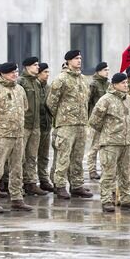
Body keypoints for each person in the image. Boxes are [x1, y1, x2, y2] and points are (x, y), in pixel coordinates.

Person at [0, 62, 32, 213]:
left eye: (15, 72)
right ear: (2, 74)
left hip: (18, 135)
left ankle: (17, 198)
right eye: (11, 72)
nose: (14, 75)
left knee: (17, 168)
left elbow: (25, 108)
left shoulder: (20, 89)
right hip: (1, 136)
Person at [89, 72, 130, 212]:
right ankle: (106, 200)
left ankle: (126, 199)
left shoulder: (129, 99)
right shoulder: (105, 100)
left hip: (127, 143)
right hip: (111, 143)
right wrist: (109, 132)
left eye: (126, 82)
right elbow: (94, 121)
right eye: (123, 83)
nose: (126, 85)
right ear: (114, 85)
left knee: (126, 173)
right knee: (108, 173)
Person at [46, 50, 93, 199]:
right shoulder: (61, 79)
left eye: (80, 58)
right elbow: (51, 102)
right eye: (75, 58)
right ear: (68, 61)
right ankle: (59, 185)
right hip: (65, 125)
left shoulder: (84, 79)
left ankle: (77, 185)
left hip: (81, 124)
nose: (79, 61)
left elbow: (87, 100)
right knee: (63, 157)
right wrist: (62, 117)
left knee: (78, 157)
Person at [17, 57, 48, 196]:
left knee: (32, 156)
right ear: (27, 67)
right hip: (24, 125)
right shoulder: (21, 82)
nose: (37, 67)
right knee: (19, 157)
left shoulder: (36, 82)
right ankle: (18, 185)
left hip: (35, 125)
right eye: (35, 65)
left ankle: (30, 183)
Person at [87, 62, 110, 180]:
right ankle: (92, 170)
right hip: (96, 120)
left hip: (107, 121)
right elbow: (87, 101)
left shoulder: (108, 85)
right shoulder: (94, 85)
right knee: (94, 147)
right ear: (99, 71)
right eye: (105, 70)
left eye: (108, 70)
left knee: (105, 147)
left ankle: (104, 170)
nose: (107, 72)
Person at [35, 62, 55, 192]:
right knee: (29, 157)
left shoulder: (47, 88)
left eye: (48, 72)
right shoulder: (33, 86)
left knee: (44, 155)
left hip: (46, 126)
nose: (47, 75)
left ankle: (43, 179)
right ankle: (28, 181)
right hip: (34, 126)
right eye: (45, 72)